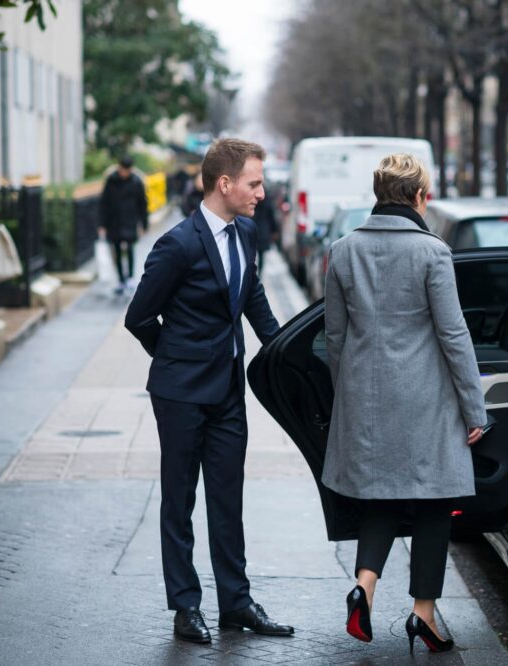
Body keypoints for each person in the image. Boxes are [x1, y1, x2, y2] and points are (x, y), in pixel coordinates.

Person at [124, 139, 292, 645]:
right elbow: (139, 317)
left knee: (227, 496)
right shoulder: (177, 244)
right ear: (225, 184)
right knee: (179, 499)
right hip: (180, 393)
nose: (262, 192)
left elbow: (252, 293)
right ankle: (186, 606)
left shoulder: (246, 230)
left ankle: (236, 603)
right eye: (254, 183)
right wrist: (176, 359)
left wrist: (282, 346)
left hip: (227, 392)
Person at [323, 154, 486, 654]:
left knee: (381, 495)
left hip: (366, 402)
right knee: (436, 501)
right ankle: (423, 613)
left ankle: (364, 587)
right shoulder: (432, 254)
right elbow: (453, 334)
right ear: (418, 197)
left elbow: (334, 335)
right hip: (426, 403)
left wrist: (347, 391)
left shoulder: (343, 249)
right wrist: (474, 408)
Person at [99, 156, 148, 295]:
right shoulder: (111, 180)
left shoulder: (136, 181)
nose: (124, 173)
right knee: (117, 249)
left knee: (130, 247)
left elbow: (142, 203)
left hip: (130, 220)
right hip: (114, 221)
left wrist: (143, 223)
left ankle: (131, 277)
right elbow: (104, 203)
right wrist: (102, 224)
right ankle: (121, 279)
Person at [251, 183, 277, 271]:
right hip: (264, 231)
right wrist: (274, 230)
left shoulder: (253, 200)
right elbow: (271, 217)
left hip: (253, 228)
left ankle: (253, 271)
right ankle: (259, 272)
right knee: (261, 255)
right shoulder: (267, 201)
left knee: (251, 253)